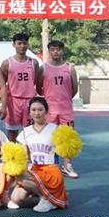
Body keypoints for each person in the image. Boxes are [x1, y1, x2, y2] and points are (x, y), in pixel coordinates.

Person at [8, 96, 68, 213]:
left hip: (50, 170)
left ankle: (48, 199)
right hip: (34, 170)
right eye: (33, 110)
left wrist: (66, 167)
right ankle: (45, 196)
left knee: (23, 179)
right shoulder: (26, 132)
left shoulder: (55, 129)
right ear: (29, 112)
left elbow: (66, 151)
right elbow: (24, 156)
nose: (37, 113)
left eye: (40, 109)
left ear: (46, 111)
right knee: (16, 198)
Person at [36, 40, 79, 178]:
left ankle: (67, 165)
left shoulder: (69, 68)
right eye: (53, 49)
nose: (56, 52)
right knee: (50, 137)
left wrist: (64, 99)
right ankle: (52, 165)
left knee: (67, 138)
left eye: (58, 49)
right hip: (50, 110)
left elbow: (74, 89)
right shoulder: (43, 68)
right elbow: (38, 88)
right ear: (49, 51)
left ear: (62, 51)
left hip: (66, 109)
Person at [0, 33, 39, 141]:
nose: (22, 46)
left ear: (28, 44)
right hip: (13, 101)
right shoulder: (7, 63)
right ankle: (12, 152)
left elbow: (35, 80)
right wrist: (4, 105)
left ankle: (29, 152)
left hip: (30, 101)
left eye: (24, 43)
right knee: (12, 133)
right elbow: (2, 83)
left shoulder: (34, 63)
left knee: (30, 132)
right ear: (14, 45)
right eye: (19, 43)